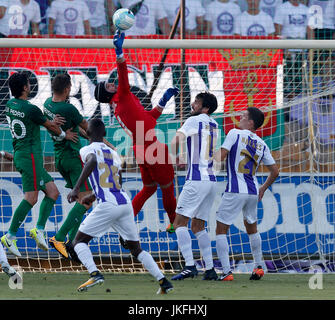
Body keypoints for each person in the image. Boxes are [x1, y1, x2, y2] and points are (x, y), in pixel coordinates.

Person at [67, 118, 173, 294]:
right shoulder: (114, 153)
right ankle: (163, 281)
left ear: (87, 133)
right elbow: (117, 181)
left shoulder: (86, 149)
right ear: (105, 134)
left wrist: (76, 189)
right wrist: (93, 195)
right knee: (136, 249)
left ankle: (95, 274)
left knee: (78, 241)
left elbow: (92, 160)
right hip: (124, 202)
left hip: (108, 204)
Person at [94, 30, 179, 233]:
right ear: (108, 92)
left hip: (141, 147)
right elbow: (123, 72)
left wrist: (163, 101)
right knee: (167, 186)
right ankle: (175, 222)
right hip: (151, 146)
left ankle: (125, 219)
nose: (113, 82)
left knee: (149, 188)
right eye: (109, 84)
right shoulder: (122, 96)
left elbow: (147, 120)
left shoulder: (119, 105)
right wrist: (119, 52)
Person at [1, 72, 77, 257]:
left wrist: (51, 122)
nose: (30, 85)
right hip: (30, 158)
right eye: (28, 83)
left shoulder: (10, 105)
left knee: (52, 192)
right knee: (31, 197)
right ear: (25, 88)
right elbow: (50, 126)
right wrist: (64, 134)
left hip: (23, 155)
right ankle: (10, 236)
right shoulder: (31, 109)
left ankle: (39, 229)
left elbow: (41, 121)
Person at [214, 107, 279, 281]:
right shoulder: (262, 143)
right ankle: (258, 267)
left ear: (250, 123)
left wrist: (205, 155)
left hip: (235, 189)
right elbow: (275, 171)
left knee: (220, 230)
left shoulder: (234, 133)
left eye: (243, 116)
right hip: (252, 190)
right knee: (252, 229)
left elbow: (221, 156)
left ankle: (226, 272)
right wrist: (263, 188)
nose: (239, 118)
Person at [44, 73, 101, 259]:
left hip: (60, 158)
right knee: (86, 200)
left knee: (81, 200)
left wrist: (78, 133)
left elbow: (78, 131)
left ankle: (73, 245)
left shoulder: (47, 104)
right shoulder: (69, 109)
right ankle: (60, 238)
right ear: (68, 89)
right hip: (73, 157)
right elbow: (87, 127)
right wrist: (102, 142)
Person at [169, 91, 219, 281]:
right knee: (199, 226)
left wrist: (175, 156)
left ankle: (190, 265)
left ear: (205, 108)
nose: (192, 105)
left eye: (197, 102)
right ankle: (210, 269)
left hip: (197, 179)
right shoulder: (214, 124)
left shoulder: (194, 120)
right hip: (211, 180)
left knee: (179, 223)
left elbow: (175, 140)